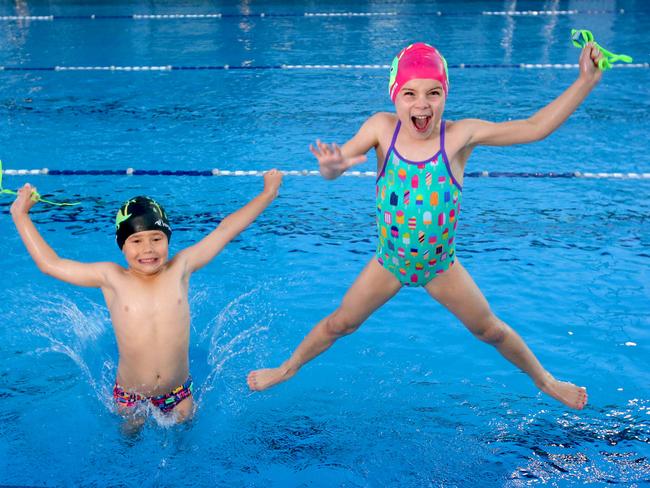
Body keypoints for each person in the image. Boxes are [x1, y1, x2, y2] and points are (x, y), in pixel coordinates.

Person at [247, 42, 604, 410]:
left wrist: (585, 81)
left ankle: (545, 381)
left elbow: (533, 127)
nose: (422, 104)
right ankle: (288, 368)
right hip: (389, 262)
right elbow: (339, 163)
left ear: (445, 94)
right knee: (340, 324)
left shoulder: (461, 136)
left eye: (433, 93)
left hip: (440, 266)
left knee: (490, 331)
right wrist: (332, 167)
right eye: (410, 93)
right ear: (394, 95)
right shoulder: (381, 129)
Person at [11, 170, 282, 427]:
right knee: (128, 439)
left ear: (168, 240)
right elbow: (51, 264)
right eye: (136, 241)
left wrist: (268, 194)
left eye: (156, 238)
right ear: (122, 245)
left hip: (178, 393)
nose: (148, 249)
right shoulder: (111, 277)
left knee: (185, 439)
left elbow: (225, 230)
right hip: (130, 395)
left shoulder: (181, 268)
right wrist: (21, 214)